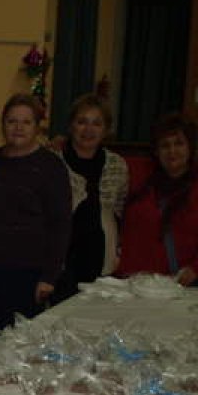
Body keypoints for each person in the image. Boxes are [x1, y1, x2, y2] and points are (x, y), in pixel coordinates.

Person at [0, 94, 71, 341]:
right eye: (12, 121)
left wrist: (49, 276)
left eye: (26, 122)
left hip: (26, 273)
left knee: (20, 343)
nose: (18, 128)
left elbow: (61, 225)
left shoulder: (50, 166)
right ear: (3, 124)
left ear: (37, 127)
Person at [117, 113, 198, 284]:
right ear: (156, 150)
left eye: (179, 144)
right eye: (165, 145)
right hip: (132, 281)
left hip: (178, 283)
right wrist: (65, 145)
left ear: (190, 147)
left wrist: (196, 269)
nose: (172, 151)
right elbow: (97, 157)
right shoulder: (137, 171)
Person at [53, 94, 129, 300]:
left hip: (102, 262)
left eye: (96, 123)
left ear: (105, 130)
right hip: (62, 264)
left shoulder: (117, 165)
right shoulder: (53, 163)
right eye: (81, 122)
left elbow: (121, 211)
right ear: (71, 126)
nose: (88, 130)